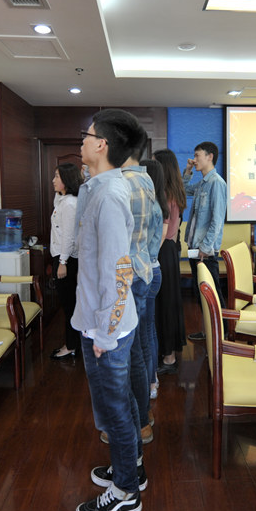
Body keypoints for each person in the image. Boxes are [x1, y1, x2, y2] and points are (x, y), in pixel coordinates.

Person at [72, 108, 145, 511]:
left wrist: (104, 333)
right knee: (120, 405)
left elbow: (118, 271)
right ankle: (129, 467)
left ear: (101, 145)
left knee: (115, 410)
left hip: (107, 327)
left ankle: (125, 493)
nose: (81, 142)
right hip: (99, 319)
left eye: (86, 136)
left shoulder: (110, 196)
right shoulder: (97, 188)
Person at [98, 141, 163, 446]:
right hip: (140, 271)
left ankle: (132, 425)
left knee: (122, 356)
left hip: (124, 276)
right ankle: (143, 418)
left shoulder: (121, 184)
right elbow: (149, 233)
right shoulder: (146, 180)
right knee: (136, 350)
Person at [183, 141, 227, 335]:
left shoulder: (217, 183)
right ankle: (208, 333)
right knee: (200, 293)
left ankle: (222, 334)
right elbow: (183, 189)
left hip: (205, 251)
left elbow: (217, 221)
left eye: (197, 155)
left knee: (212, 293)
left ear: (210, 157)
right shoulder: (202, 183)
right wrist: (188, 170)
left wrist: (205, 247)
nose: (194, 159)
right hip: (195, 248)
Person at [152, 149, 187, 374]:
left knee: (164, 305)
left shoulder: (164, 194)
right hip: (170, 251)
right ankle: (169, 353)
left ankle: (168, 357)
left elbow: (162, 232)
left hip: (162, 250)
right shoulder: (176, 191)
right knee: (169, 303)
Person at [49, 163, 83, 359]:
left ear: (67, 180)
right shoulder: (64, 200)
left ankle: (71, 346)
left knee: (69, 305)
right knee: (69, 304)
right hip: (63, 258)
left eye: (57, 176)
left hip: (66, 260)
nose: (53, 180)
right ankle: (72, 343)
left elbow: (69, 236)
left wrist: (62, 262)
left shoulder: (70, 204)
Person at [139, 158, 166, 398]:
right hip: (153, 269)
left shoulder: (150, 208)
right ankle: (152, 378)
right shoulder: (157, 204)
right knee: (149, 329)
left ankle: (150, 382)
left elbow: (142, 246)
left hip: (146, 272)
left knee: (145, 332)